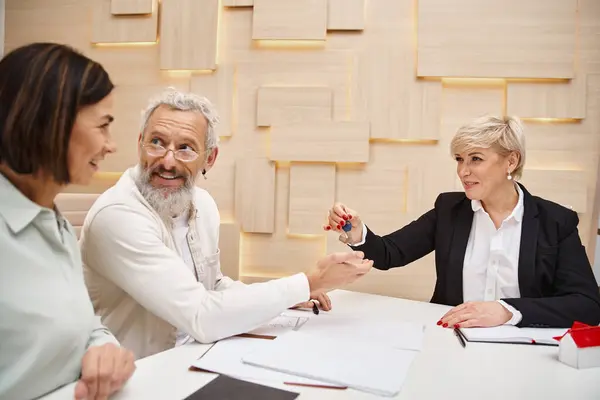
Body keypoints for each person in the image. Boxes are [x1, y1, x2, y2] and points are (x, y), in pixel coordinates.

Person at [80, 88, 372, 360]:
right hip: (142, 375)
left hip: (197, 356)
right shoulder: (117, 216)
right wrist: (310, 282)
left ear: (210, 158)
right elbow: (201, 316)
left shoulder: (202, 205)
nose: (168, 161)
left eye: (185, 148)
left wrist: (285, 298)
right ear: (140, 143)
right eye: (157, 142)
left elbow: (214, 286)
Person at [325, 115, 600, 329]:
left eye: (475, 159)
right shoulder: (449, 209)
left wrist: (508, 310)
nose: (463, 171)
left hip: (523, 349)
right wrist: (354, 229)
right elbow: (388, 253)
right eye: (459, 159)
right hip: (451, 339)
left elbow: (587, 305)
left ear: (511, 161)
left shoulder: (555, 221)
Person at [0, 43, 136, 400]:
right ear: (52, 122)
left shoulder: (52, 221)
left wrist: (103, 347)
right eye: (103, 126)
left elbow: (80, 320)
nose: (111, 146)